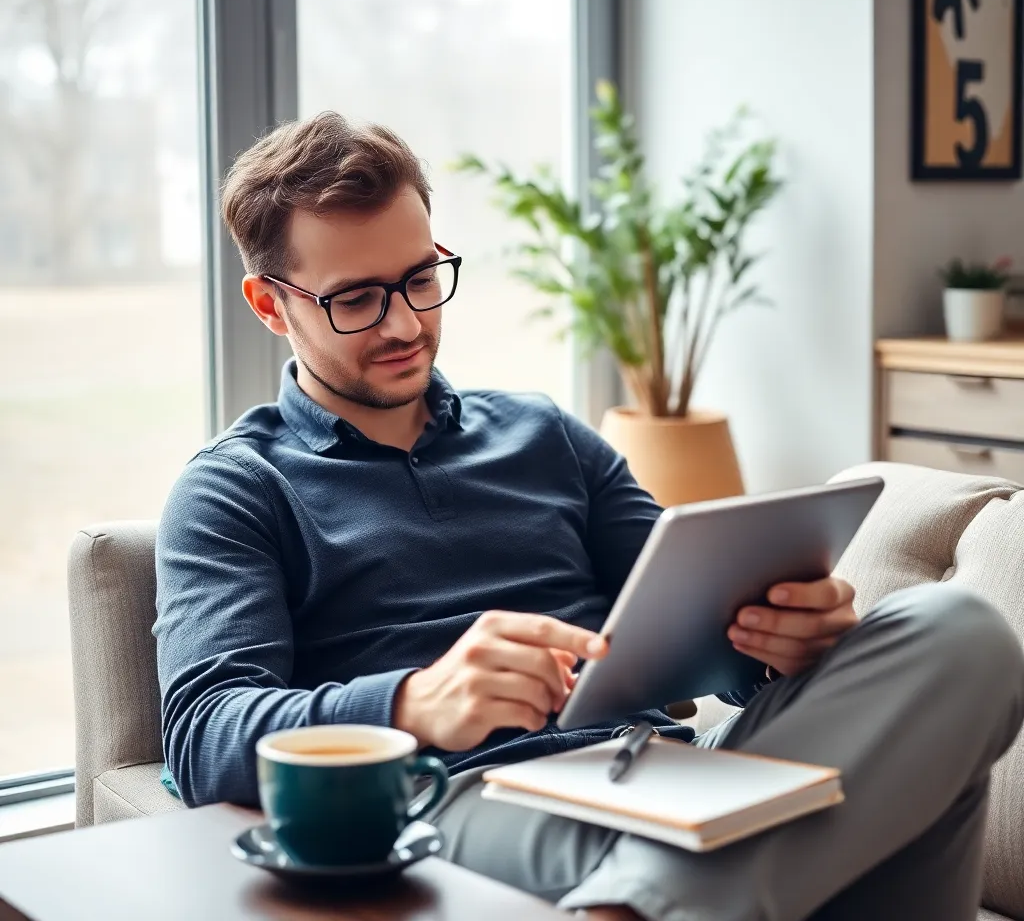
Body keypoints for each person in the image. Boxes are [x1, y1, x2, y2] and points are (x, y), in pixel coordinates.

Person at [155, 111, 1024, 921]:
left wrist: (781, 642)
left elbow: (702, 631)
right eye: (356, 299)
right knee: (871, 815)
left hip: (662, 765)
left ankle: (639, 900)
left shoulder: (544, 435)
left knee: (960, 629)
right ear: (269, 304)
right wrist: (414, 704)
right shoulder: (236, 488)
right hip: (462, 796)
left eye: (421, 279)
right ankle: (649, 894)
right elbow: (203, 739)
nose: (408, 323)